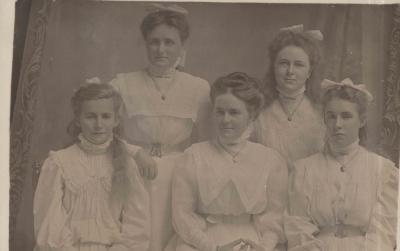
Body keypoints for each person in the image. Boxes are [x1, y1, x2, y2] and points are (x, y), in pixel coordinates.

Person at [109, 4, 211, 251]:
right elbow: (106, 135)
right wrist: (135, 152)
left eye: (169, 42)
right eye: (154, 42)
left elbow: (205, 142)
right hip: (134, 171)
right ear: (145, 44)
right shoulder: (122, 84)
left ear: (181, 46)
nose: (161, 49)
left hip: (179, 175)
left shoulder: (198, 88)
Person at [168, 72, 288, 251]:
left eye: (234, 112)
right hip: (202, 242)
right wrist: (212, 247)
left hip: (251, 242)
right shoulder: (194, 156)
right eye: (220, 112)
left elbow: (273, 218)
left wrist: (264, 247)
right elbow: (182, 214)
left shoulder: (270, 161)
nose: (226, 120)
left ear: (251, 115)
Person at [33, 83, 150, 250]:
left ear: (116, 120)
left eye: (106, 116)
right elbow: (49, 224)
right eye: (90, 116)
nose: (98, 124)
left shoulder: (126, 164)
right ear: (78, 120)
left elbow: (137, 225)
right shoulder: (59, 163)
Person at [285, 78, 398, 251]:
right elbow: (298, 227)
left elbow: (384, 234)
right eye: (331, 116)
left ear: (361, 121)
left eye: (346, 116)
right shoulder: (304, 170)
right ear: (324, 119)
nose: (337, 124)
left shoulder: (383, 171)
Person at [253, 24, 325, 165]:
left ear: (309, 71)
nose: (290, 71)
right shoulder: (259, 111)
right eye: (284, 63)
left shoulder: (321, 111)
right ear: (273, 67)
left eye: (298, 65)